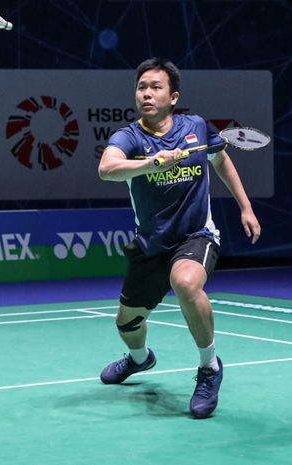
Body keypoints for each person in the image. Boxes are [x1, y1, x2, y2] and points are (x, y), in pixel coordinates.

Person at [97, 58, 261, 419]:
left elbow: (221, 161)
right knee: (127, 323)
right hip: (152, 243)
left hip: (196, 235)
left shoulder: (196, 127)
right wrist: (153, 163)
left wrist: (245, 207)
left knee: (185, 282)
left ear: (173, 97)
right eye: (141, 87)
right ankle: (140, 360)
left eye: (155, 87)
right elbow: (107, 169)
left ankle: (209, 368)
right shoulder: (129, 137)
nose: (147, 94)